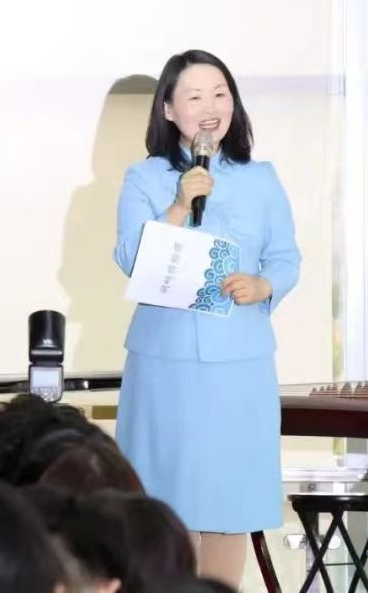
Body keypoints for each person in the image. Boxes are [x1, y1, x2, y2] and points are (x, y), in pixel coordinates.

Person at [112, 49, 301, 589]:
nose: (210, 106)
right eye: (194, 96)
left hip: (240, 365)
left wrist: (264, 286)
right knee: (163, 509)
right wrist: (177, 206)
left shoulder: (261, 178)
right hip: (165, 363)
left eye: (221, 93)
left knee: (229, 504)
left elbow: (286, 257)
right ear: (169, 110)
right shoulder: (144, 177)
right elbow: (129, 258)